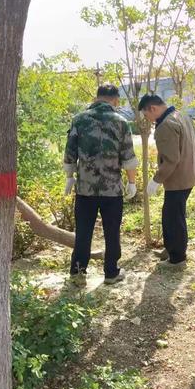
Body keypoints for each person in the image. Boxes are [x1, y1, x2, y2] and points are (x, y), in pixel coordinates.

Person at [64, 84, 138, 285]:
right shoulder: (121, 122)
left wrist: (70, 178)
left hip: (85, 189)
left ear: (97, 98)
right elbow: (128, 156)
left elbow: (70, 153)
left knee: (84, 231)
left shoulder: (79, 119)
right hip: (112, 190)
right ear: (115, 99)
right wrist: (132, 183)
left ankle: (78, 273)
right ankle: (111, 273)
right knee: (112, 231)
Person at [137, 94, 195, 268]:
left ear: (153, 109)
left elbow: (171, 159)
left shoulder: (165, 126)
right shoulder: (183, 116)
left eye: (146, 115)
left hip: (177, 180)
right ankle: (171, 249)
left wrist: (156, 180)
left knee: (173, 219)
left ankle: (177, 258)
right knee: (170, 215)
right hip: (188, 176)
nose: (147, 119)